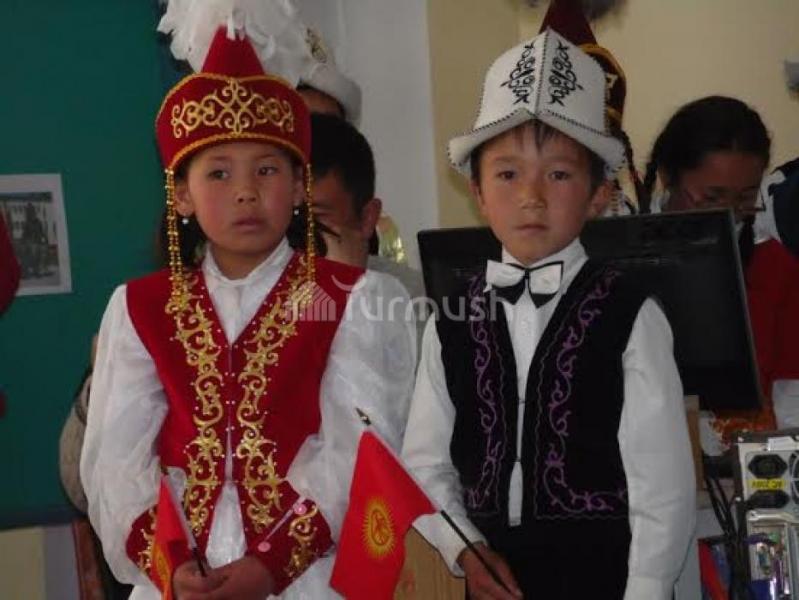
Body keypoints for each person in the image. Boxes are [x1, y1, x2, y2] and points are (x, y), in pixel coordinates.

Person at [80, 24, 415, 600]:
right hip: (182, 579)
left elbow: (361, 451)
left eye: (267, 169)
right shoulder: (139, 308)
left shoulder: (355, 299)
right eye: (218, 172)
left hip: (308, 575)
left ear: (299, 186)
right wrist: (170, 564)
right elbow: (118, 460)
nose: (245, 191)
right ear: (181, 195)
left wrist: (270, 565)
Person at [402, 29, 695, 600]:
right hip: (492, 580)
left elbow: (661, 483)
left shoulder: (630, 313)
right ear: (478, 192)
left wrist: (647, 588)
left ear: (598, 195)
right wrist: (462, 547)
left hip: (604, 580)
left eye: (558, 174)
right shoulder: (452, 317)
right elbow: (425, 460)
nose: (531, 195)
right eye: (507, 174)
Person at [643, 95, 799, 441]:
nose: (730, 215)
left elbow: (792, 395)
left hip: (742, 456)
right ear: (668, 177)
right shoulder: (617, 257)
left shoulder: (776, 266)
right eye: (711, 198)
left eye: (745, 198)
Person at [309, 113, 426, 308]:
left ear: (367, 218)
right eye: (290, 216)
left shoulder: (409, 298)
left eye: (314, 219)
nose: (295, 234)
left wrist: (345, 289)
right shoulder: (257, 289)